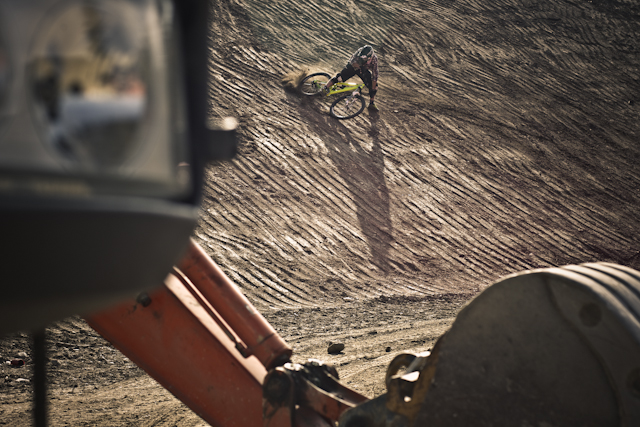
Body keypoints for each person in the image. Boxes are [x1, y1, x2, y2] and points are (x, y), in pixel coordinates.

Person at [324, 45, 379, 111]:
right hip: (353, 67)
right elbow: (352, 62)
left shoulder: (374, 59)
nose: (363, 59)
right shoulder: (359, 52)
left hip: (363, 70)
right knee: (339, 78)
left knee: (374, 87)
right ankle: (325, 88)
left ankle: (371, 103)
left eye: (365, 58)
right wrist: (359, 66)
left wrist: (373, 88)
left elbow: (375, 74)